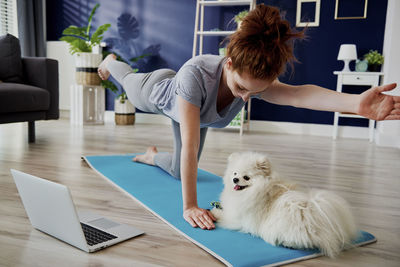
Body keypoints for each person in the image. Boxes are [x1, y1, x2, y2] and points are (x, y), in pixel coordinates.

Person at [98, 4, 400, 230]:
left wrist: (356, 104)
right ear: (228, 64)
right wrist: (190, 206)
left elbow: (298, 95)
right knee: (129, 83)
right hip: (158, 91)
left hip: (194, 113)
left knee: (179, 172)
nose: (246, 98)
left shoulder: (255, 82)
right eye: (241, 88)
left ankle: (151, 156)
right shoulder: (196, 74)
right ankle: (111, 62)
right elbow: (190, 147)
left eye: (255, 92)